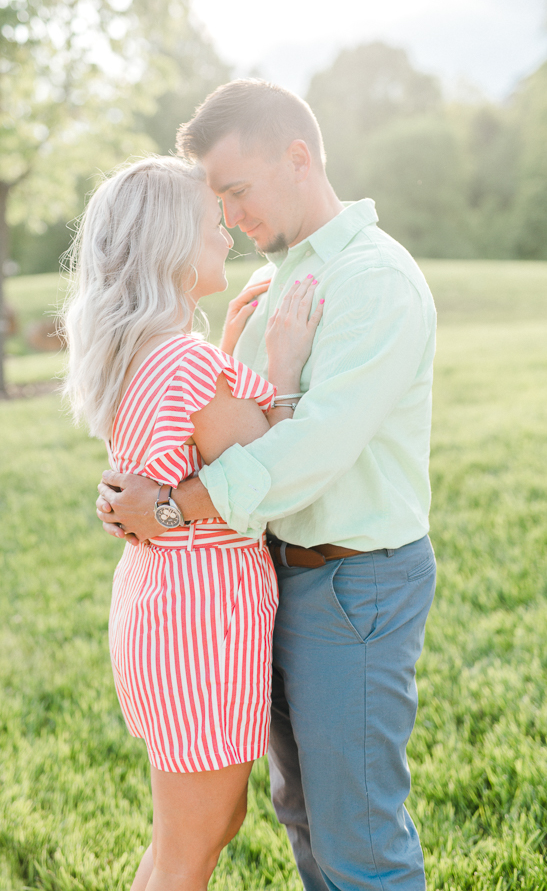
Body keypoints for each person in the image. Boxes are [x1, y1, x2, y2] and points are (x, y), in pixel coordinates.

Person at [96, 81, 438, 891]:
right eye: (216, 201)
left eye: (235, 192)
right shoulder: (287, 275)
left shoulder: (370, 280)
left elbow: (309, 451)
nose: (227, 218)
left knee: (358, 840)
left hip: (352, 579)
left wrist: (169, 506)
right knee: (307, 820)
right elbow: (229, 419)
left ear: (298, 157)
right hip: (283, 575)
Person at [62, 155, 324, 891]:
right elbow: (265, 475)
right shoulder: (183, 361)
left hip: (167, 603)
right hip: (197, 621)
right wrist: (284, 365)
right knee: (192, 843)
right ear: (172, 242)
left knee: (194, 834)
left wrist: (231, 358)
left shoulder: (154, 354)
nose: (227, 235)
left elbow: (189, 450)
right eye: (212, 223)